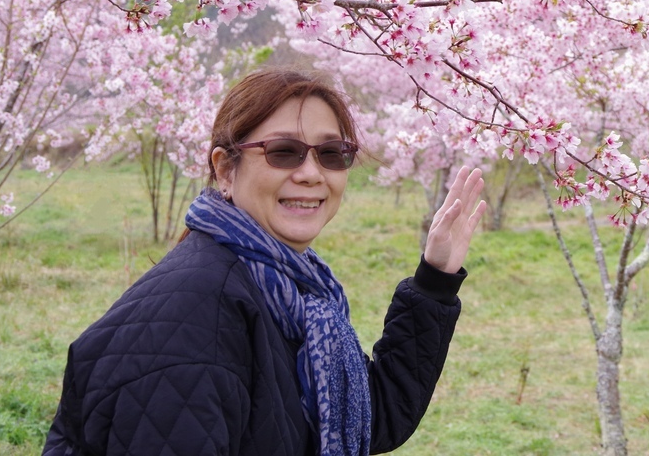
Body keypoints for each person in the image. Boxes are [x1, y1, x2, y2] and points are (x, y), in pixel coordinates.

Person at [42, 68, 486, 455]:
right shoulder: (193, 320)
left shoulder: (292, 292)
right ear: (225, 170)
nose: (312, 173)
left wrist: (434, 281)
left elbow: (369, 417)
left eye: (331, 154)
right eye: (283, 151)